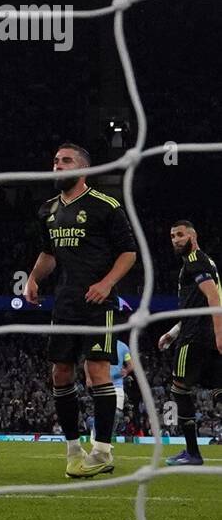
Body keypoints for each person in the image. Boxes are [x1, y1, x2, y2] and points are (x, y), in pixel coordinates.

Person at [25, 143, 137, 478]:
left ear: (82, 169)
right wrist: (33, 278)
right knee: (60, 374)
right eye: (55, 160)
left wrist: (106, 284)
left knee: (97, 371)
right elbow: (49, 252)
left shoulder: (106, 206)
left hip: (98, 304)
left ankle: (102, 450)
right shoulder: (48, 210)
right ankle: (74, 449)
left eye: (66, 161)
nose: (58, 166)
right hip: (65, 302)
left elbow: (129, 252)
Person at [157, 220, 222, 466]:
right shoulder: (205, 261)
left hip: (196, 337)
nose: (175, 240)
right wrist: (173, 332)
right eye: (173, 236)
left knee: (179, 390)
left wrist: (219, 334)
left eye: (180, 235)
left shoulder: (195, 262)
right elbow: (199, 304)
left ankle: (193, 453)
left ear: (193, 236)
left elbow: (213, 297)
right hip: (203, 332)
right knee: (219, 392)